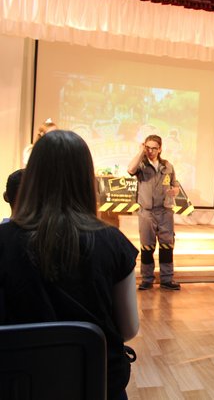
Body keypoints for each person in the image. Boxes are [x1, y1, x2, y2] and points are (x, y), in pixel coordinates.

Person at [0, 130, 139, 400]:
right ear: (86, 178)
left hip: (18, 383)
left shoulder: (3, 240)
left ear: (32, 175)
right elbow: (128, 329)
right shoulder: (113, 242)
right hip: (96, 382)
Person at [127, 134, 181, 291]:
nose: (150, 151)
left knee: (167, 246)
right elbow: (130, 169)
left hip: (165, 212)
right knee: (147, 247)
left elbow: (175, 184)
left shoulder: (167, 166)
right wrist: (140, 152)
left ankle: (167, 279)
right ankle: (147, 279)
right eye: (148, 148)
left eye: (154, 148)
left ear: (160, 149)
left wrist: (175, 190)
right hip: (147, 213)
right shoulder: (141, 165)